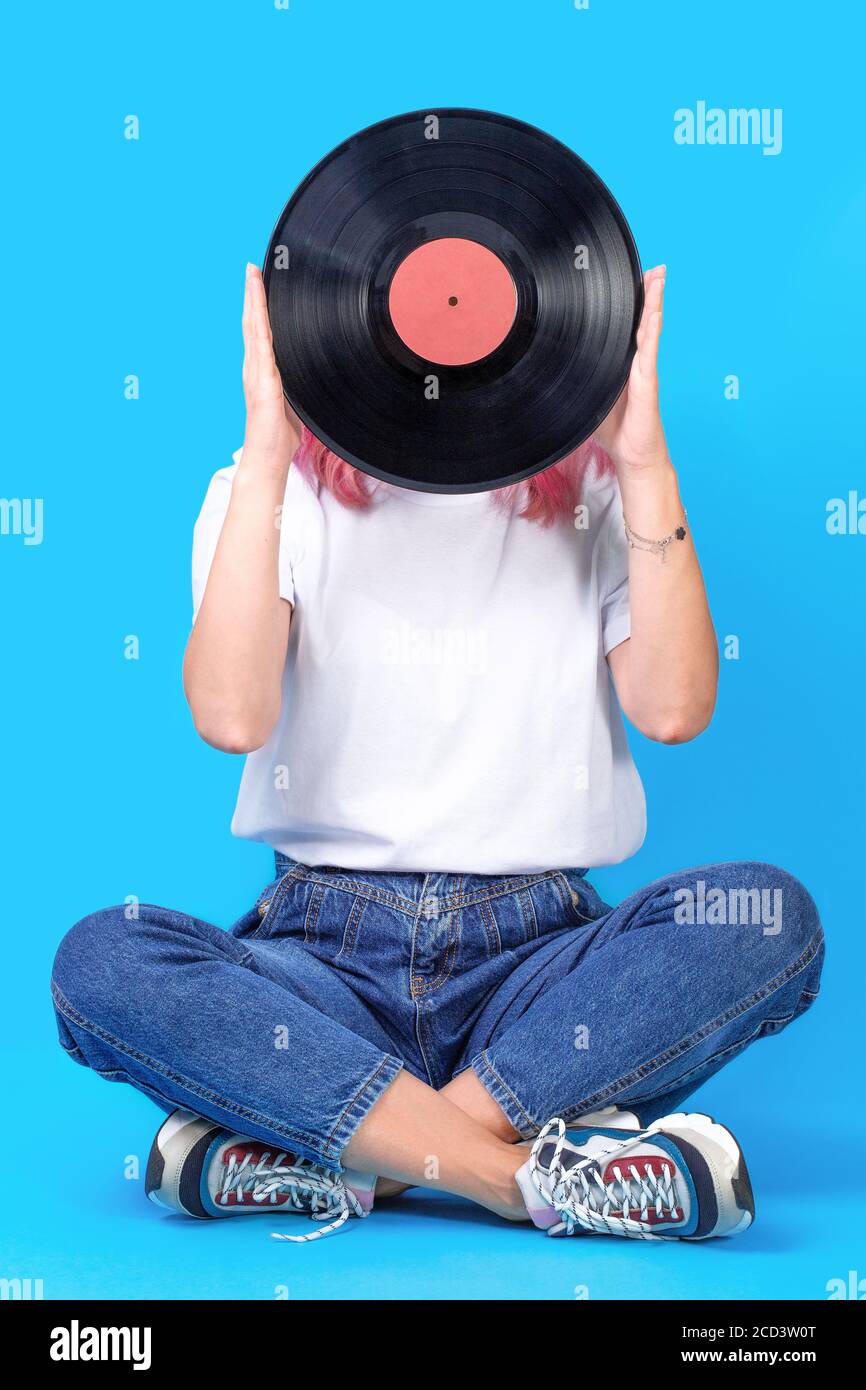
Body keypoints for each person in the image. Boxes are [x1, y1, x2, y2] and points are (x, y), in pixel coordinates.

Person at [51, 262, 823, 1243]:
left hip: (538, 974)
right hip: (319, 969)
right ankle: (521, 1178)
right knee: (101, 960)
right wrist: (264, 447)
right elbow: (231, 715)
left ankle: (329, 1146)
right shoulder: (259, 493)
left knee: (765, 915)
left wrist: (641, 465)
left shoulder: (598, 497)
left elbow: (672, 709)